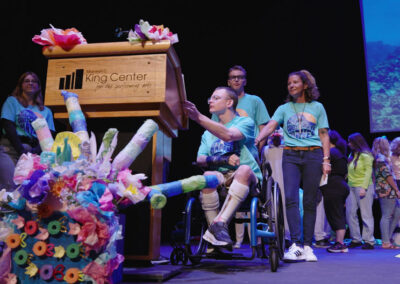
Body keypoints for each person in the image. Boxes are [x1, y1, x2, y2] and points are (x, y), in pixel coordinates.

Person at [255, 70, 331, 262]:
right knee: (290, 197)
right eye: (289, 83)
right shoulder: (284, 108)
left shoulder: (317, 107)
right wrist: (258, 139)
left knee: (310, 200)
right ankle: (296, 244)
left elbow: (323, 134)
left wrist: (326, 160)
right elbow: (271, 125)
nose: (291, 85)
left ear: (305, 85)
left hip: (313, 154)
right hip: (290, 155)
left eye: (295, 82)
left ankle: (307, 245)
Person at [183, 86, 262, 249]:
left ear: (229, 102)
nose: (210, 101)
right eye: (210, 98)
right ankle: (217, 236)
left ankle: (219, 224)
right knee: (208, 176)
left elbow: (228, 135)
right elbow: (200, 159)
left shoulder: (245, 122)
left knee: (244, 169)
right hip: (220, 179)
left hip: (246, 179)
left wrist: (197, 117)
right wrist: (221, 159)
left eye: (216, 98)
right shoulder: (208, 133)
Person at [211, 65, 270, 248]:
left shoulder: (254, 101)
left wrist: (257, 152)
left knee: (250, 183)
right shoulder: (219, 104)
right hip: (224, 157)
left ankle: (257, 238)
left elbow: (262, 128)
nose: (236, 80)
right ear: (228, 81)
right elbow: (215, 131)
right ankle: (218, 238)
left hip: (248, 155)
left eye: (240, 77)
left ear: (244, 80)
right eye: (233, 77)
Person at [0, 71, 55, 190]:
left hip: (34, 153)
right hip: (11, 148)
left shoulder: (46, 111)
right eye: (27, 81)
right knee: (10, 187)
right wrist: (20, 149)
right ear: (21, 85)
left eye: (34, 81)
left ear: (39, 86)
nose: (30, 83)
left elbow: (49, 135)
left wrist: (35, 152)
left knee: (28, 190)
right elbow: (7, 125)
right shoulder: (12, 101)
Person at [319, 130, 350, 253]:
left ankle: (340, 243)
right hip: (338, 186)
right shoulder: (338, 152)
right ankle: (339, 242)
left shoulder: (331, 153)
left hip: (334, 186)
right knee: (335, 213)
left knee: (336, 214)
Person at [346, 132, 375, 249]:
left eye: (350, 142)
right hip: (351, 187)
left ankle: (369, 240)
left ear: (356, 143)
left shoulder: (366, 155)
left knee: (366, 214)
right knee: (350, 213)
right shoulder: (351, 156)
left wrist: (364, 187)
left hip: (363, 187)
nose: (348, 144)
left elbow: (368, 172)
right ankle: (356, 238)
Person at [372, 137, 400, 249]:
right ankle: (385, 242)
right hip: (387, 190)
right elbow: (387, 176)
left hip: (390, 190)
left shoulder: (383, 158)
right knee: (386, 216)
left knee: (397, 213)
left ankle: (387, 239)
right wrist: (397, 190)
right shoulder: (380, 159)